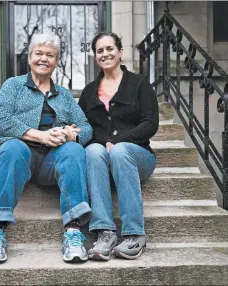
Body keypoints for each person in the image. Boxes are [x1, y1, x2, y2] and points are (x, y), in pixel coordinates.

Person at [0, 33, 93, 264]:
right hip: (13, 155)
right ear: (30, 57)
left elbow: (86, 127)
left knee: (74, 150)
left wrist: (71, 134)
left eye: (50, 55)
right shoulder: (13, 85)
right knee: (14, 148)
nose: (44, 59)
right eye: (39, 53)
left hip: (50, 163)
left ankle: (73, 232)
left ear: (56, 61)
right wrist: (41, 136)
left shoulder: (64, 95)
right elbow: (1, 120)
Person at [79, 32, 159, 261]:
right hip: (103, 160)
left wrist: (120, 140)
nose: (105, 54)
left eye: (110, 49)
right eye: (100, 51)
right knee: (92, 150)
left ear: (120, 52)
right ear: (96, 57)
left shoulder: (139, 83)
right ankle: (105, 232)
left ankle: (134, 234)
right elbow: (85, 127)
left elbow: (150, 123)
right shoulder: (88, 92)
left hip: (138, 156)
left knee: (122, 150)